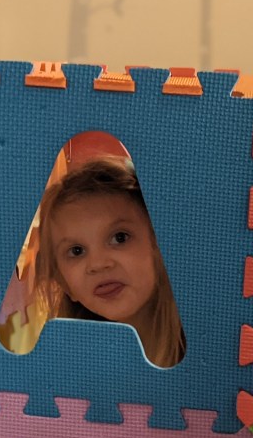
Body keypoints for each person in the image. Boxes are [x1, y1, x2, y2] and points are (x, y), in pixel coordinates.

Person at [34, 156, 185, 368]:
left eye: (119, 238)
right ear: (65, 284)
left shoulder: (212, 343)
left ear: (159, 245)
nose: (98, 264)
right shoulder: (70, 366)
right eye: (76, 251)